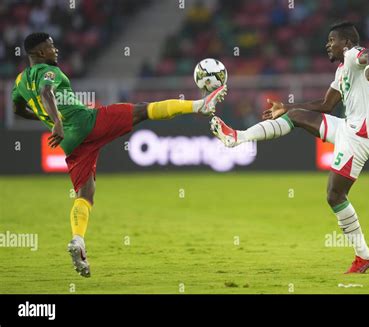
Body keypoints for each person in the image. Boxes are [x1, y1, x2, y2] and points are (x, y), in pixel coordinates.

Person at [11, 32, 227, 277]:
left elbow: (17, 108)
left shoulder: (19, 81)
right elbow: (46, 93)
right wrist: (56, 122)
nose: (55, 50)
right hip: (87, 123)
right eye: (50, 47)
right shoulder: (51, 73)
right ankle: (200, 105)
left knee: (85, 194)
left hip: (71, 144)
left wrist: (45, 120)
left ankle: (78, 240)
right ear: (40, 53)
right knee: (143, 111)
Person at [211, 22, 369, 273]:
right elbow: (325, 105)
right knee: (297, 117)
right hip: (348, 128)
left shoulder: (354, 55)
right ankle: (237, 136)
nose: (327, 44)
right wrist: (287, 108)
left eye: (332, 39)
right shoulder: (342, 70)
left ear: (345, 43)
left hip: (361, 137)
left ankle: (364, 256)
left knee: (334, 195)